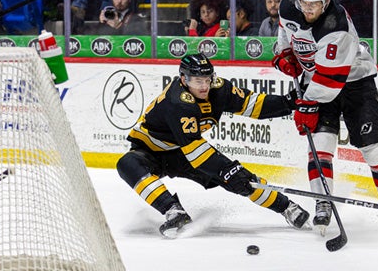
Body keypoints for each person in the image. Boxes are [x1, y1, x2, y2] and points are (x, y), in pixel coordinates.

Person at [116, 53, 310, 237]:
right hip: (151, 152)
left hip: (185, 152)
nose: (204, 86)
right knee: (128, 164)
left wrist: (288, 101)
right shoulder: (178, 102)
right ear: (183, 79)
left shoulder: (219, 89)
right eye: (197, 81)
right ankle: (173, 210)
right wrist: (228, 169)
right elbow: (196, 151)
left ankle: (288, 207)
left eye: (207, 79)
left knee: (241, 181)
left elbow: (253, 104)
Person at [272, 0, 378, 234]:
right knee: (320, 147)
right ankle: (323, 203)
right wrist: (284, 54)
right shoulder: (289, 5)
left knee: (374, 148)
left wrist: (306, 106)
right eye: (303, 3)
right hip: (318, 82)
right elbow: (285, 32)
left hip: (354, 82)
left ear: (326, 0)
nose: (306, 9)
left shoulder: (336, 27)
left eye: (313, 4)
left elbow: (329, 82)